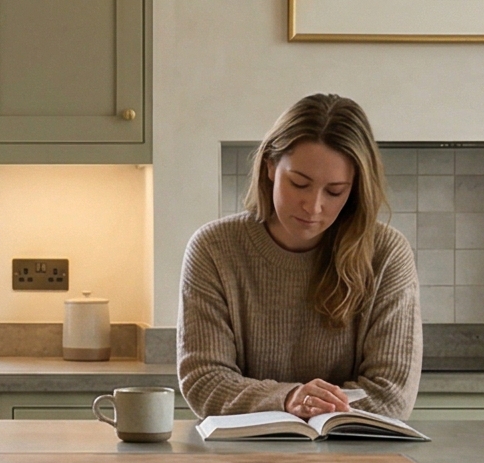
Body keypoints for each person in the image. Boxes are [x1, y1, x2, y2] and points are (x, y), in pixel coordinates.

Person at [177, 93, 421, 420]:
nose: (314, 206)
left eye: (334, 191)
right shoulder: (213, 248)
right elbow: (204, 380)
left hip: (354, 458)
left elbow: (392, 395)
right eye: (299, 183)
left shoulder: (387, 254)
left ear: (355, 190)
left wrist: (312, 404)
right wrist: (288, 398)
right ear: (270, 166)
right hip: (241, 460)